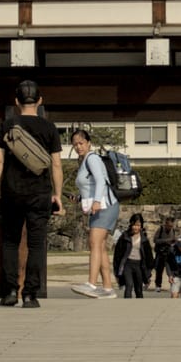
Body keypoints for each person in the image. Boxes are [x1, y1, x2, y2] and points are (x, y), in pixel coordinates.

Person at [0, 80, 61, 308]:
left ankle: (9, 292)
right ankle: (30, 294)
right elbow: (56, 165)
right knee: (36, 244)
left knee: (10, 242)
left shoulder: (7, 126)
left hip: (12, 192)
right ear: (39, 101)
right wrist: (57, 194)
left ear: (16, 102)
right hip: (40, 194)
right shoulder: (49, 128)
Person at [69, 127, 119, 298]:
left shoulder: (92, 158)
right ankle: (107, 288)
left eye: (81, 143)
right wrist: (80, 198)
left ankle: (91, 283)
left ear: (89, 143)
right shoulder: (83, 162)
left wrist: (97, 201)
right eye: (75, 144)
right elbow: (90, 186)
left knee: (94, 243)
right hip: (99, 207)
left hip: (105, 206)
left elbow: (100, 181)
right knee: (101, 247)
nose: (78, 147)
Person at [112, 213, 154, 299]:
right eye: (134, 225)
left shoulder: (144, 239)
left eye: (138, 225)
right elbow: (117, 254)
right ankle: (126, 307)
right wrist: (116, 272)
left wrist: (148, 274)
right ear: (131, 224)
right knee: (129, 285)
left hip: (139, 265)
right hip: (127, 264)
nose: (136, 227)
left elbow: (149, 257)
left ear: (141, 226)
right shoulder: (124, 237)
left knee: (139, 289)